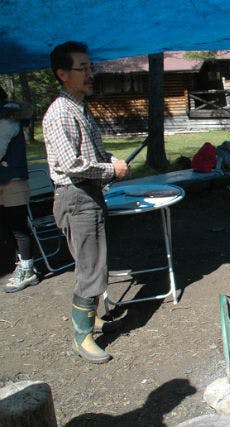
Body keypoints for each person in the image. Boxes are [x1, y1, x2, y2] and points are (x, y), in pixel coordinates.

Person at [42, 41, 130, 364]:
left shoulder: (80, 108)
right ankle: (81, 336)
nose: (90, 74)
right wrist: (111, 169)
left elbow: (91, 155)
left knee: (95, 262)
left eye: (91, 67)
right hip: (75, 197)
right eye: (84, 68)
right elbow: (73, 165)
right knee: (90, 268)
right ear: (63, 74)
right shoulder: (60, 112)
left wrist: (111, 159)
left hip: (89, 195)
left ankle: (91, 318)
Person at [1, 88, 39, 293]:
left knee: (18, 227)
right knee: (9, 226)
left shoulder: (6, 121)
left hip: (13, 182)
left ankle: (28, 271)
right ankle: (21, 264)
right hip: (5, 181)